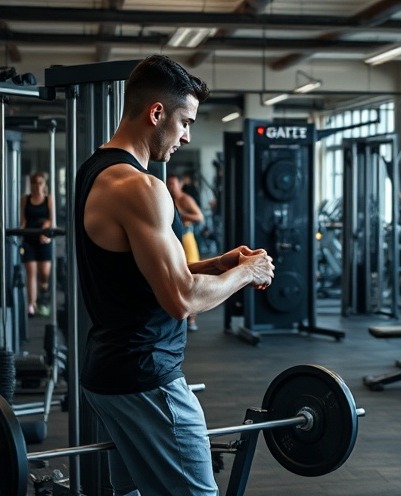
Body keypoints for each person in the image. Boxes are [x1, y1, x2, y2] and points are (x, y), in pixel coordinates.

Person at [74, 54, 275, 495]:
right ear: (156, 113)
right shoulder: (142, 188)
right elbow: (181, 300)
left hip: (107, 375)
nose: (186, 135)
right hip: (148, 378)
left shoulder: (95, 171)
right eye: (185, 122)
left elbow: (131, 271)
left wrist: (215, 264)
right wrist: (248, 272)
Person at [167, 173, 205, 331]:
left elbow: (199, 217)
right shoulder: (166, 198)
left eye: (173, 184)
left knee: (191, 273)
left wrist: (181, 214)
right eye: (168, 184)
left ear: (180, 185)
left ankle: (192, 319)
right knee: (175, 274)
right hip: (173, 239)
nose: (170, 187)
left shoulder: (185, 200)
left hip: (187, 238)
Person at [20, 171, 55, 317]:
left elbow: (52, 220)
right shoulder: (25, 199)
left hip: (43, 239)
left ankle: (44, 290)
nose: (37, 186)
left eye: (40, 183)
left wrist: (46, 226)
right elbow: (23, 220)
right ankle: (31, 305)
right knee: (31, 272)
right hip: (29, 239)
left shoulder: (48, 199)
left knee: (44, 273)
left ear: (44, 184)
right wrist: (19, 232)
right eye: (34, 183)